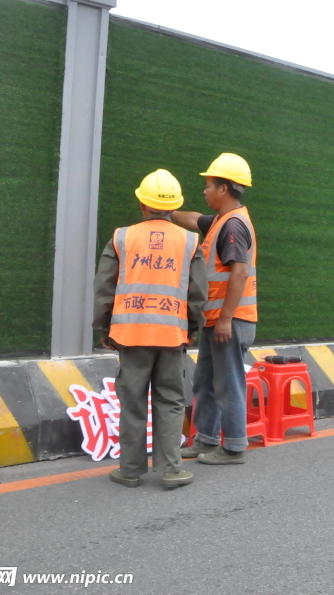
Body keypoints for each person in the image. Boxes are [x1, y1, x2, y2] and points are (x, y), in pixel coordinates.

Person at [92, 169, 208, 489]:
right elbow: (198, 292)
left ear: (142, 203)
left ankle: (130, 470)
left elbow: (105, 287)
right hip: (171, 335)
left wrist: (104, 328)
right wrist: (193, 328)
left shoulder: (121, 237)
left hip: (130, 334)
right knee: (170, 399)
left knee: (133, 400)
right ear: (173, 208)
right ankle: (172, 469)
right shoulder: (188, 240)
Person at [172, 153, 257, 465]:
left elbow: (239, 273)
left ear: (224, 189)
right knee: (206, 380)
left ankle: (234, 447)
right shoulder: (222, 222)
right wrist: (165, 212)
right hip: (216, 321)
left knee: (227, 383)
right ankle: (205, 439)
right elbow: (195, 219)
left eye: (208, 185)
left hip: (229, 323)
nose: (205, 190)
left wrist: (225, 319)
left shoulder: (233, 226)